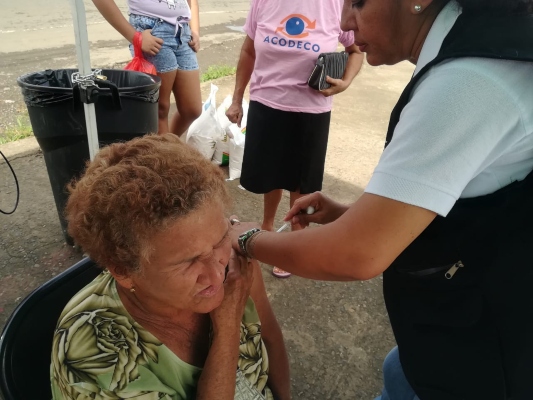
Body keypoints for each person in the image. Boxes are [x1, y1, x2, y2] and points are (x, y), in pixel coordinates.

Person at [228, 0, 533, 398]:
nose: (344, 21)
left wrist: (248, 238)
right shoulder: (484, 44)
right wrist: (355, 214)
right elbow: (463, 194)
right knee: (398, 368)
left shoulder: (468, 83)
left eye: (359, 2)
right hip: (450, 328)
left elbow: (356, 254)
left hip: (483, 354)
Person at [50, 134, 290, 400]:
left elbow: (270, 337)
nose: (216, 274)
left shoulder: (234, 265)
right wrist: (228, 327)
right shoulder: (92, 356)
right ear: (123, 271)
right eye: (188, 262)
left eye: (221, 238)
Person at [225, 0, 364, 278]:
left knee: (302, 183)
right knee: (271, 175)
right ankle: (265, 228)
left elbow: (355, 50)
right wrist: (237, 99)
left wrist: (346, 81)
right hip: (267, 102)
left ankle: (297, 243)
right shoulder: (263, 2)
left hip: (311, 110)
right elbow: (248, 51)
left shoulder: (337, 4)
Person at [92, 0, 202, 136]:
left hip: (183, 32)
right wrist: (135, 37)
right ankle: (165, 153)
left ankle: (170, 146)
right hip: (152, 29)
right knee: (159, 109)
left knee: (192, 109)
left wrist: (195, 30)